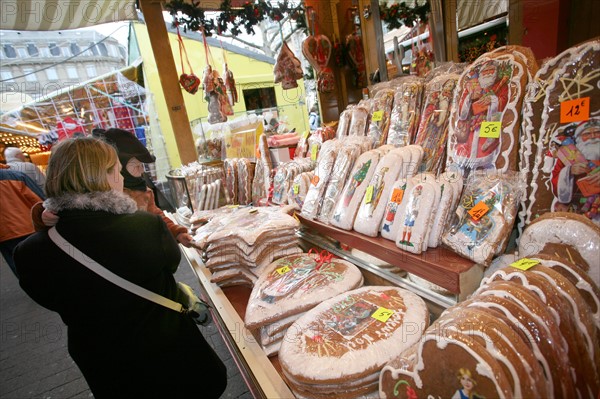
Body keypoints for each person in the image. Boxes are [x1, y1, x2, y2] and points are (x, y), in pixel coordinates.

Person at [14, 137, 227, 398]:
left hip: (106, 367)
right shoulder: (146, 227)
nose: (123, 179)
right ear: (101, 177)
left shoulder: (28, 253)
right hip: (168, 355)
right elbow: (169, 265)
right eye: (117, 170)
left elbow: (47, 297)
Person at [39, 128, 193, 246]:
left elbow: (156, 214)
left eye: (142, 166)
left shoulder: (143, 190)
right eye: (135, 166)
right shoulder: (100, 199)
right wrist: (41, 215)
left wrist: (177, 232)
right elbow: (65, 218)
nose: (141, 171)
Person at [453, 61, 510, 170]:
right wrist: (470, 97)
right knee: (466, 157)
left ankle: (490, 140)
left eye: (491, 71)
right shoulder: (472, 86)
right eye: (485, 71)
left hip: (490, 123)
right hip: (471, 127)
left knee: (486, 157)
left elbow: (504, 104)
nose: (488, 73)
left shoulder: (501, 86)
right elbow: (462, 113)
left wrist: (493, 100)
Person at [0, 164, 45, 277]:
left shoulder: (15, 176)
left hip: (4, 236)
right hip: (29, 228)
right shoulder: (16, 176)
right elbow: (39, 202)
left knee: (21, 269)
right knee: (43, 264)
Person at [551, 119, 600, 222]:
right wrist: (569, 171)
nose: (593, 137)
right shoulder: (567, 157)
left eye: (597, 132)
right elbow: (555, 184)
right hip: (579, 215)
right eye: (587, 134)